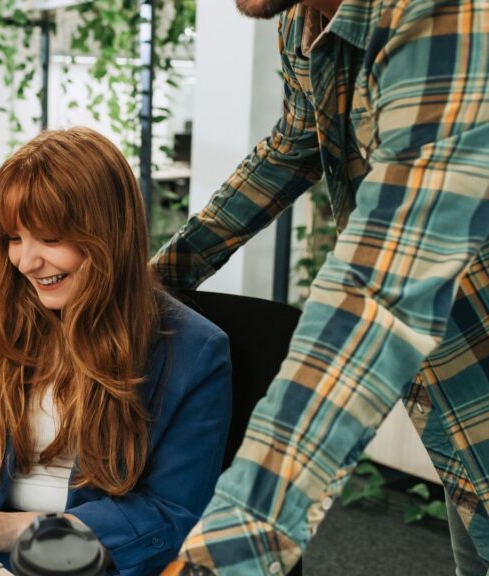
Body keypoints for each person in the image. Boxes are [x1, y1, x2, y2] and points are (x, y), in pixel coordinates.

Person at [154, 0, 489, 575]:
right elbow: (292, 146)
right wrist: (145, 285)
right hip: (465, 391)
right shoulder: (303, 21)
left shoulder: (447, 14)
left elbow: (379, 292)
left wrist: (220, 561)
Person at [0, 127, 234, 576]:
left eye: (49, 239)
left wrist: (12, 530)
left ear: (107, 235)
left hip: (90, 563)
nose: (26, 261)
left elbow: (168, 514)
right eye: (14, 239)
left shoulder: (196, 352)